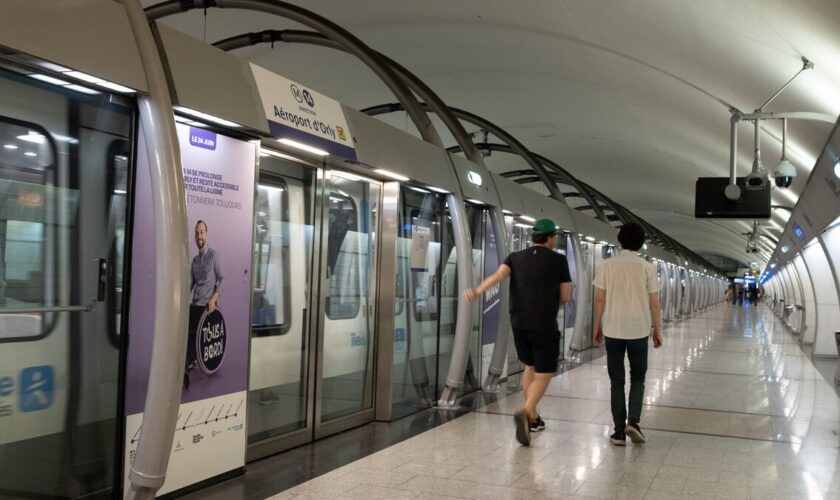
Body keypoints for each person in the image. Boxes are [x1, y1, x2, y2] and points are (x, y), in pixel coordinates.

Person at [465, 218, 571, 446]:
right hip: (544, 324)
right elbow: (565, 297)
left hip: (519, 323)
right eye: (555, 237)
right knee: (544, 372)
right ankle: (526, 410)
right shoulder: (559, 260)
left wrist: (478, 290)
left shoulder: (514, 257)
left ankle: (533, 419)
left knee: (529, 367)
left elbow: (498, 276)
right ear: (551, 237)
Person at [592, 222, 662, 446]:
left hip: (613, 329)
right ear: (641, 244)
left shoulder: (607, 265)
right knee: (638, 378)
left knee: (617, 381)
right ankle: (634, 420)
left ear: (620, 240)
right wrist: (657, 329)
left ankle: (619, 433)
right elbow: (654, 303)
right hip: (639, 330)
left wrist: (597, 326)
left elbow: (600, 298)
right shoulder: (647, 267)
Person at [185, 220, 224, 388]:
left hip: (207, 307)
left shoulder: (214, 256)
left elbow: (223, 279)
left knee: (192, 333)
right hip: (195, 305)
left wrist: (214, 299)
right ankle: (186, 361)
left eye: (202, 232)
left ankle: (186, 364)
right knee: (183, 329)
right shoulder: (194, 262)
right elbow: (189, 285)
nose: (199, 236)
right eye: (197, 233)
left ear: (206, 234)